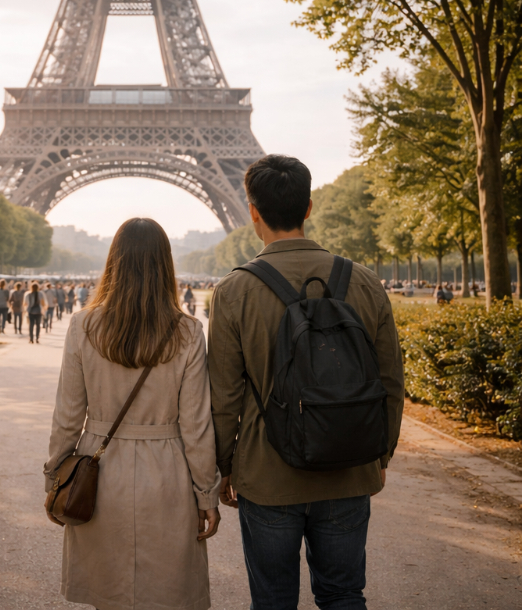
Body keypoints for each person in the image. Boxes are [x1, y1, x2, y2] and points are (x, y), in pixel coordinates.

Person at [208, 155, 405, 610]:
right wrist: (382, 451)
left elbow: (223, 397)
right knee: (343, 595)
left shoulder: (234, 291)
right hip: (350, 466)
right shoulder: (365, 282)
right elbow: (391, 380)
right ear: (310, 207)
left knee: (273, 601)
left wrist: (226, 466)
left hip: (266, 472)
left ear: (252, 211)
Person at [44, 218, 220, 610]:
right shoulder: (188, 331)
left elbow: (68, 416)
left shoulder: (83, 325)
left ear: (113, 262)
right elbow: (196, 425)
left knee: (109, 593)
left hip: (98, 473)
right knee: (167, 594)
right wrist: (206, 493)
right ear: (166, 264)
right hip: (167, 475)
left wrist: (55, 476)